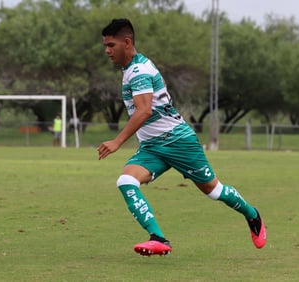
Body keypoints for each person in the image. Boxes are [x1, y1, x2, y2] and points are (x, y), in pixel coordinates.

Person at [97, 18, 266, 257]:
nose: (107, 50)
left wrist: (117, 141)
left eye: (111, 45)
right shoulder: (130, 69)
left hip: (177, 141)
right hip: (152, 147)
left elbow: (144, 111)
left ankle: (252, 215)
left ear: (127, 42)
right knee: (126, 181)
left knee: (213, 191)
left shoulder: (138, 71)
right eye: (105, 45)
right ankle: (158, 238)